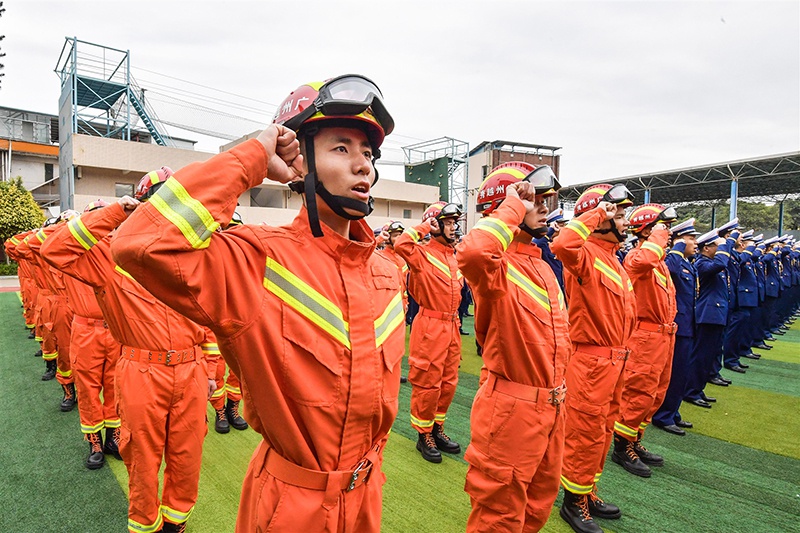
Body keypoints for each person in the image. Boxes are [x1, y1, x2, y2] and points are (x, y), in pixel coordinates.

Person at [111, 74, 406, 532]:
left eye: (368, 153)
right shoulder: (257, 258)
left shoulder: (387, 274)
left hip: (367, 499)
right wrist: (253, 156)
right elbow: (141, 244)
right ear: (300, 162)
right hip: (291, 508)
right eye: (341, 148)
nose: (363, 165)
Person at [41, 169, 218, 533]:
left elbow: (211, 322)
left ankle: (175, 526)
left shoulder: (198, 255)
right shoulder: (110, 255)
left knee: (188, 459)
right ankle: (143, 524)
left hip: (193, 371)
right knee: (141, 459)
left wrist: (212, 370)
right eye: (157, 204)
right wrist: (114, 213)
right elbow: (53, 249)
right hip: (142, 370)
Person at [457, 163, 570, 532]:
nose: (543, 206)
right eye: (531, 199)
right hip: (510, 412)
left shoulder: (543, 268)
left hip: (552, 408)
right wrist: (510, 208)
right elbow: (474, 252)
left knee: (536, 510)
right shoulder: (497, 266)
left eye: (543, 199)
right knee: (499, 518)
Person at [551, 183, 637, 533]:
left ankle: (588, 490)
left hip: (615, 361)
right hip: (591, 362)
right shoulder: (584, 253)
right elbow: (561, 243)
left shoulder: (613, 259)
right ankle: (573, 503)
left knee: (602, 431)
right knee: (584, 433)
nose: (624, 219)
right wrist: (600, 211)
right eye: (618, 212)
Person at [395, 200, 465, 463]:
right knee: (427, 383)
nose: (453, 227)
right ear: (435, 224)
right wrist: (425, 226)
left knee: (448, 382)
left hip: (452, 325)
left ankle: (437, 429)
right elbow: (401, 243)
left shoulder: (454, 255)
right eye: (447, 222)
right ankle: (423, 435)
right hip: (430, 325)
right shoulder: (422, 253)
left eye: (454, 222)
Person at [611, 203, 677, 478]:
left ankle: (635, 439)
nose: (669, 233)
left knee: (655, 394)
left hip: (663, 336)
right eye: (664, 227)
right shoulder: (638, 257)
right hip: (646, 338)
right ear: (648, 230)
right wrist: (656, 238)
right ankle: (622, 446)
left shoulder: (659, 260)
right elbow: (642, 261)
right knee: (638, 392)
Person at [652, 218, 700, 435]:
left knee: (682, 373)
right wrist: (678, 247)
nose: (695, 242)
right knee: (674, 373)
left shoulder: (688, 264)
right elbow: (669, 270)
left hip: (688, 325)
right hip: (677, 326)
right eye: (691, 238)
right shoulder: (675, 260)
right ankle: (663, 415)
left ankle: (673, 411)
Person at [683, 227, 732, 408]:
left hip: (715, 314)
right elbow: (720, 264)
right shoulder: (702, 263)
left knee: (708, 356)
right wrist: (724, 244)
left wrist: (721, 245)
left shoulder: (709, 261)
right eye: (716, 246)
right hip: (708, 315)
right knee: (701, 356)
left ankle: (698, 388)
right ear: (707, 248)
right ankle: (691, 391)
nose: (720, 250)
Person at [533, 207, 567, 292]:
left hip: (563, 289)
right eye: (560, 225)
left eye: (564, 225)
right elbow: (535, 244)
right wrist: (550, 230)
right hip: (550, 288)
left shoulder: (561, 245)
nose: (563, 228)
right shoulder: (544, 244)